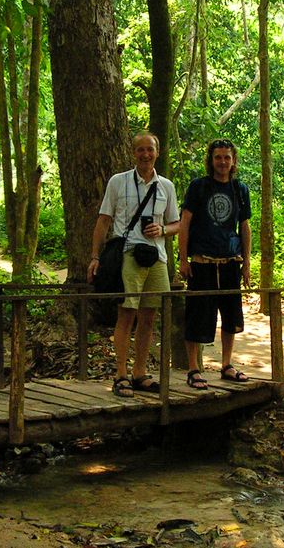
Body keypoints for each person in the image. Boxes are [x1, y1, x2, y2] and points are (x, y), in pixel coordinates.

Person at [87, 132, 180, 397]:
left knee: (149, 317)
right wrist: (95, 257)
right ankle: (121, 375)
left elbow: (177, 223)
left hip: (156, 257)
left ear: (157, 152)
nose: (145, 154)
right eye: (140, 150)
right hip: (127, 255)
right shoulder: (118, 182)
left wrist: (161, 229)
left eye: (149, 149)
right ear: (133, 153)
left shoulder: (167, 187)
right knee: (126, 315)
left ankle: (140, 372)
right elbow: (104, 220)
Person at [177, 139, 252, 390]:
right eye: (218, 157)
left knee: (231, 315)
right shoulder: (199, 187)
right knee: (197, 315)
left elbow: (244, 226)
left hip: (230, 262)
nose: (222, 162)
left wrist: (247, 262)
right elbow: (185, 222)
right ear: (211, 160)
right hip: (202, 262)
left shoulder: (240, 190)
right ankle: (193, 368)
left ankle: (227, 364)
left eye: (227, 158)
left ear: (233, 161)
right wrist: (183, 259)